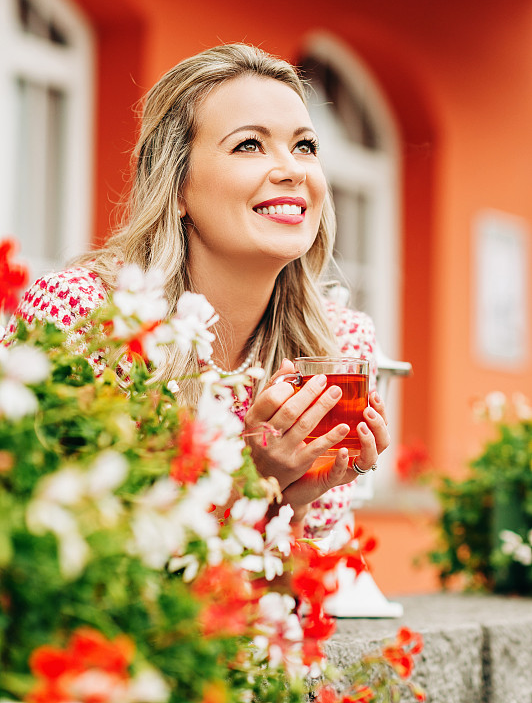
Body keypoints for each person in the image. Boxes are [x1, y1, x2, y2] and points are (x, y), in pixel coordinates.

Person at [5, 43, 390, 538]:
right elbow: (46, 548)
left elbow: (295, 593)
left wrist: (291, 506)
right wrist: (251, 483)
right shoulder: (83, 317)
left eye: (305, 146)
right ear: (178, 186)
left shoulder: (340, 345)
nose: (293, 169)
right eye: (249, 144)